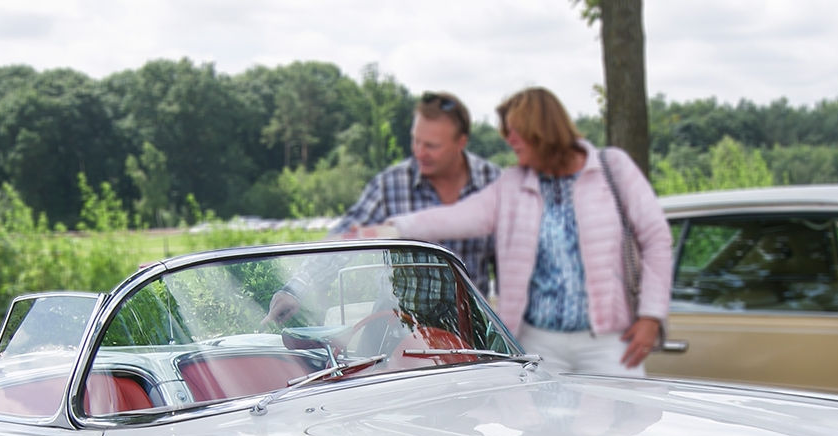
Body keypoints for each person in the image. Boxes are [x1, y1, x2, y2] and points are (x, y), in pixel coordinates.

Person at [365, 86, 672, 375]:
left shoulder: (612, 167)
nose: (508, 139)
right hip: (538, 342)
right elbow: (457, 216)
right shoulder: (512, 184)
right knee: (541, 429)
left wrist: (650, 316)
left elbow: (656, 240)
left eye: (515, 131)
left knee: (619, 426)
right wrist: (394, 228)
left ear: (541, 130)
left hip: (607, 341)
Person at [265, 91, 500, 324]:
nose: (420, 152)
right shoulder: (391, 185)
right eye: (416, 141)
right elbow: (348, 237)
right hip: (399, 320)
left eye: (431, 145)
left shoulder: (494, 185)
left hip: (469, 325)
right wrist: (295, 289)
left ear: (460, 143)